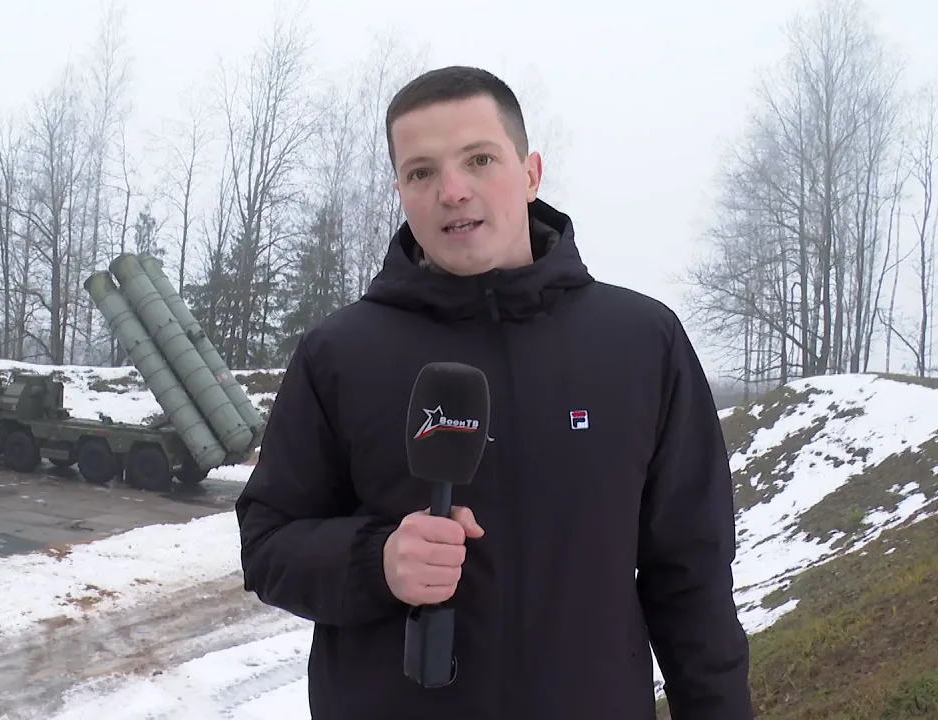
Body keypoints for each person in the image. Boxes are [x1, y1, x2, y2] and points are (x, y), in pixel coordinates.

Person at [234, 65, 752, 719]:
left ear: (531, 173)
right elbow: (268, 544)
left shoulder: (642, 343)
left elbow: (692, 575)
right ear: (400, 191)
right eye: (421, 172)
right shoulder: (339, 353)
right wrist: (378, 560)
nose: (452, 191)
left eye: (479, 159)